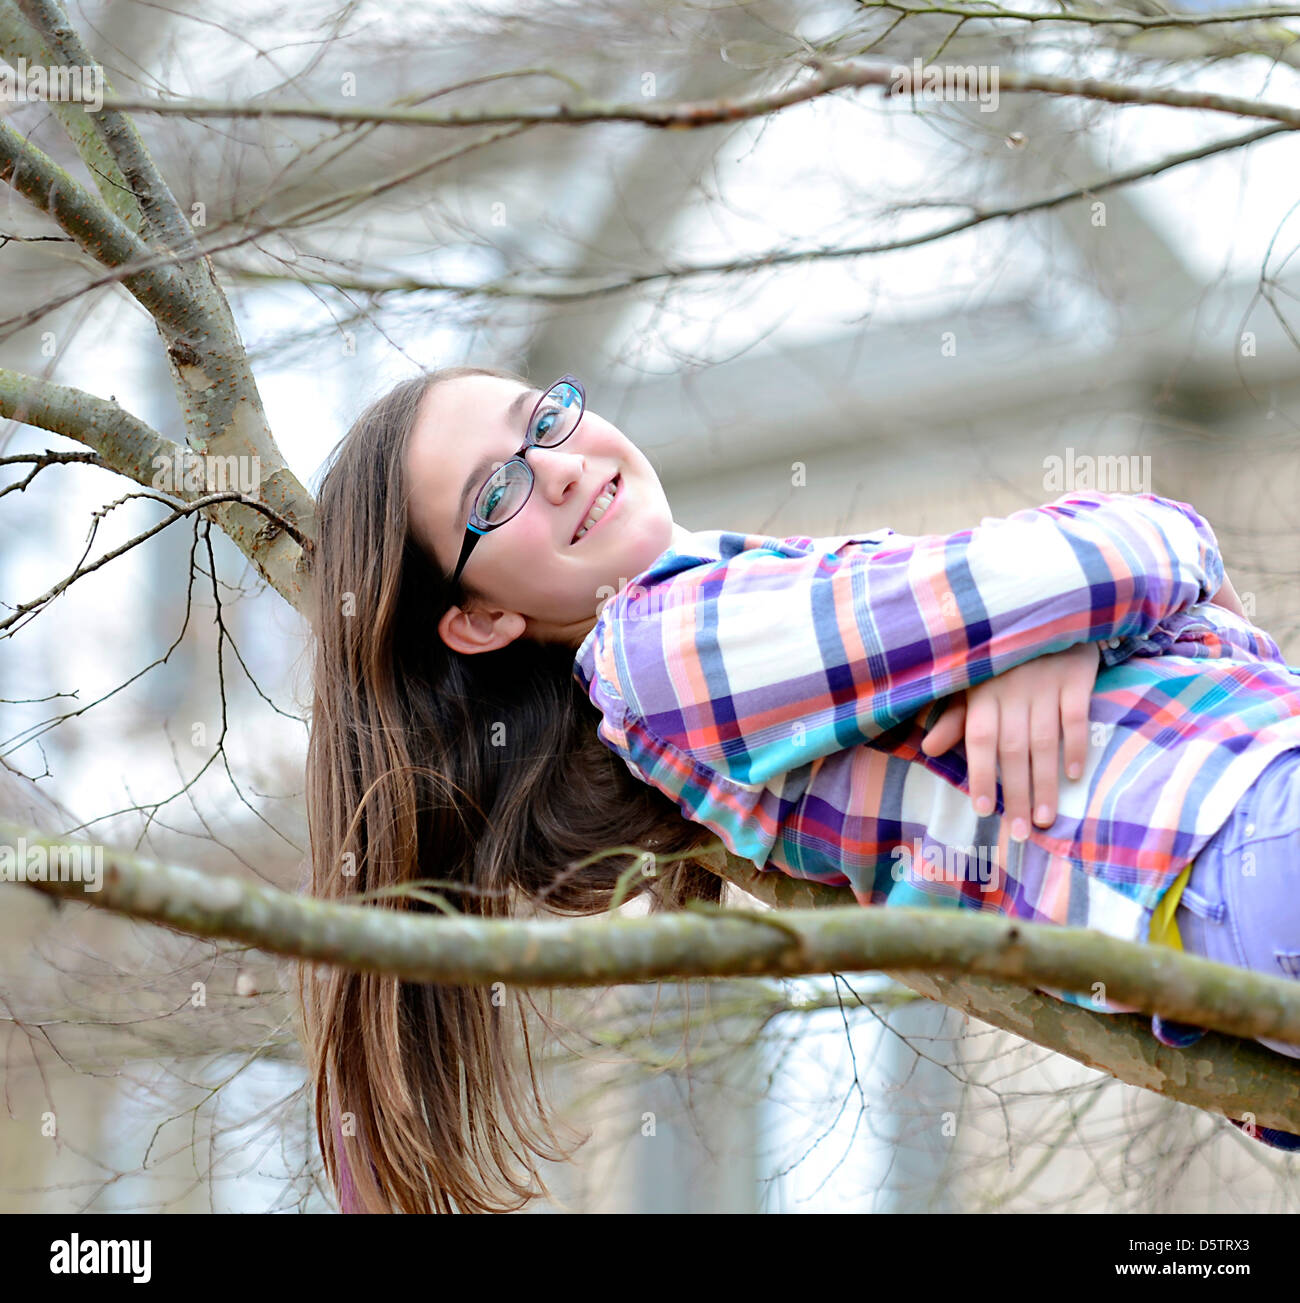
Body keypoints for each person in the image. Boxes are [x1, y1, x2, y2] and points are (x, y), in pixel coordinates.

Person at [299, 364, 1300, 1214]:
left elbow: (1076, 583)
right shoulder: (664, 648)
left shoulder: (745, 597)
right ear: (477, 622)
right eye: (493, 496)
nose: (558, 469)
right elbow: (1096, 560)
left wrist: (1071, 628)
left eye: (543, 419)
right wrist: (1083, 604)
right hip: (1237, 831)